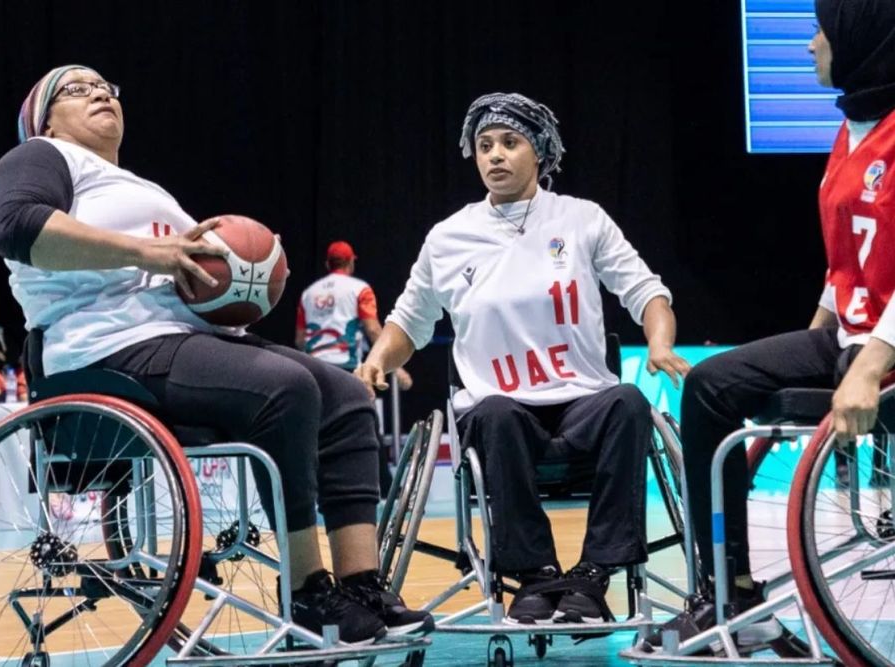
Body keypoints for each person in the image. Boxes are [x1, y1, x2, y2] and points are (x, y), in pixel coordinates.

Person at [0, 64, 432, 644]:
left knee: (346, 395)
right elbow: (12, 226)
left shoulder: (141, 187)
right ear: (44, 119)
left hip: (184, 341)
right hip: (105, 349)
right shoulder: (41, 157)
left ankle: (361, 584)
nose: (99, 93)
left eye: (105, 87)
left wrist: (249, 275)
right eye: (76, 89)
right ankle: (308, 594)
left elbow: (195, 280)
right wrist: (151, 253)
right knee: (284, 388)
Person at [356, 92, 690, 625]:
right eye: (485, 145)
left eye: (510, 143)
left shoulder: (582, 219)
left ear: (538, 152)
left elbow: (646, 292)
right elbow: (409, 322)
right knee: (495, 411)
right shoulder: (448, 237)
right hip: (500, 410)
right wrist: (377, 360)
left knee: (628, 400)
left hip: (582, 401)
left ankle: (594, 575)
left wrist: (660, 342)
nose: (495, 156)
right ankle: (533, 575)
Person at [650, 0, 895, 646]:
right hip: (854, 335)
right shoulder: (852, 131)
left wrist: (870, 365)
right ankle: (732, 597)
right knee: (709, 384)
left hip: (885, 350)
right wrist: (811, 336)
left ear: (859, 40)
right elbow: (851, 253)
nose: (810, 45)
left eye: (820, 31)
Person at [296, 240, 411, 494]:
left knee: (317, 431)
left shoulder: (308, 294)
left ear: (328, 264)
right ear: (350, 263)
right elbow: (372, 328)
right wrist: (395, 367)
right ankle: (384, 487)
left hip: (313, 369)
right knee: (366, 426)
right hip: (347, 369)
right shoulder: (360, 289)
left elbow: (300, 339)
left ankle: (313, 490)